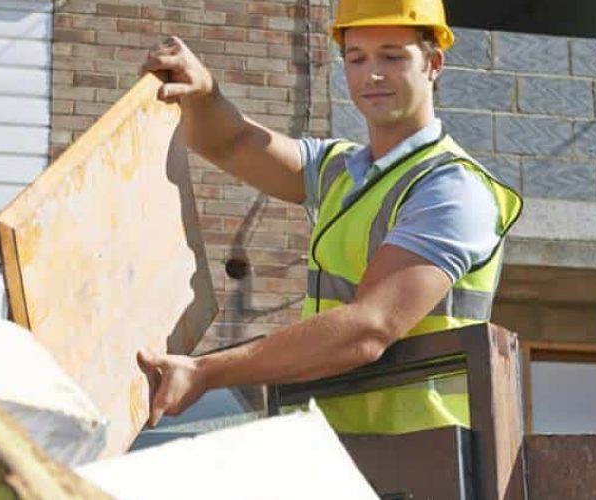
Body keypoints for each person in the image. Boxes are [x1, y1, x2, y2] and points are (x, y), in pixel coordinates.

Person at [136, 0, 522, 434]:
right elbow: (233, 142)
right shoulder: (340, 170)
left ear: (433, 63)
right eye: (356, 59)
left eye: (392, 56)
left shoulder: (452, 189)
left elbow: (369, 327)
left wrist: (207, 371)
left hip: (427, 456)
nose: (371, 74)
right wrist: (205, 93)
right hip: (339, 444)